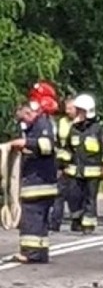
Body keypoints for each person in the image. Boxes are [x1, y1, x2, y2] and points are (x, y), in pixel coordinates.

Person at [8, 100, 57, 264]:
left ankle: (30, 253)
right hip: (44, 183)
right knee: (40, 223)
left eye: (23, 118)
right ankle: (41, 252)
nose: (22, 123)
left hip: (38, 184)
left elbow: (48, 145)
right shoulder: (38, 125)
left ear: (29, 113)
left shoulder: (42, 124)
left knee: (31, 220)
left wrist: (25, 143)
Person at [65, 93, 103, 233]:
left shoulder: (97, 129)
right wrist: (62, 165)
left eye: (79, 110)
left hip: (93, 172)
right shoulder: (74, 129)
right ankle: (77, 219)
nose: (77, 113)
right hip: (75, 171)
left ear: (87, 111)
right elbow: (67, 149)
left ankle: (88, 223)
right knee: (73, 196)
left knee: (89, 198)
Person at [50, 96, 79, 232]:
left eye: (70, 109)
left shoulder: (82, 124)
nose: (67, 111)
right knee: (59, 194)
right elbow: (56, 142)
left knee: (75, 195)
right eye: (66, 108)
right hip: (62, 162)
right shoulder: (61, 122)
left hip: (78, 164)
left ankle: (77, 221)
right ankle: (55, 222)